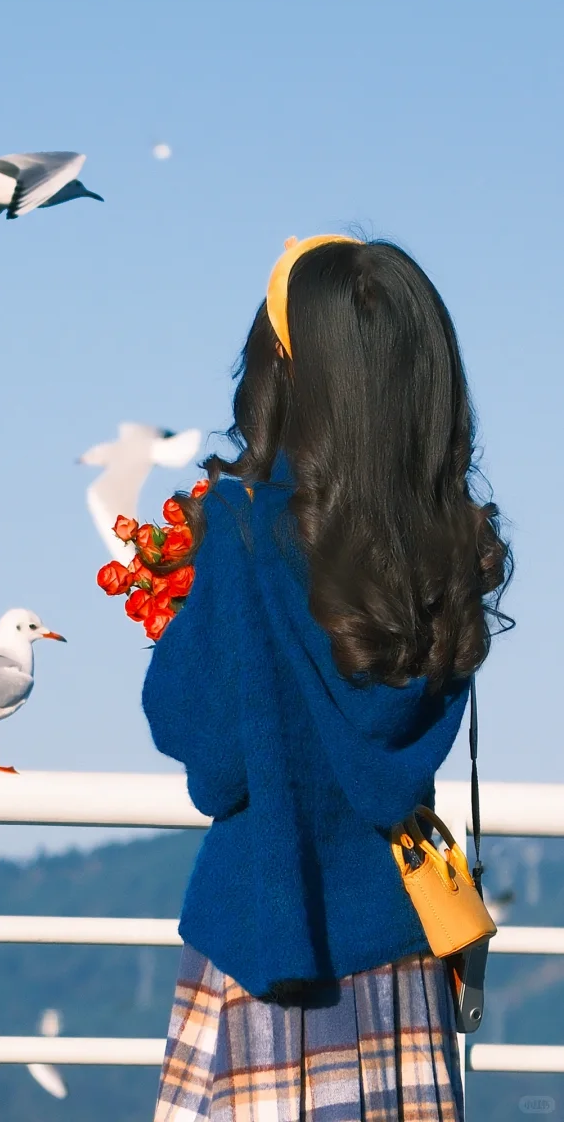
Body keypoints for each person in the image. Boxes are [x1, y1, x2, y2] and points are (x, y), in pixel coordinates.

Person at [143, 235, 511, 1122]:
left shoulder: (241, 529)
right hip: (401, 950)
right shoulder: (444, 543)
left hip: (268, 946)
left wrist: (197, 604)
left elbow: (209, 756)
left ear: (284, 371)